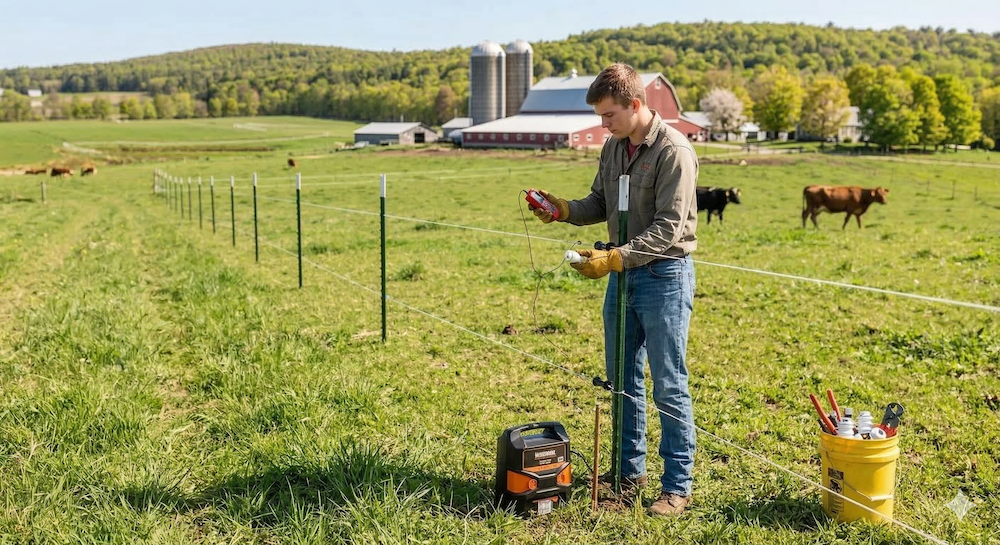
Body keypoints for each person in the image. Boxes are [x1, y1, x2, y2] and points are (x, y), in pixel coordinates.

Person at [530, 63, 698, 516]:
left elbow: (668, 228)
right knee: (621, 378)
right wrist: (563, 210)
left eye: (609, 115)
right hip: (622, 275)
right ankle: (628, 473)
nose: (603, 124)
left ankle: (676, 487)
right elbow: (600, 203)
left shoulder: (674, 151)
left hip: (664, 276)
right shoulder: (613, 148)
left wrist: (614, 258)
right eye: (600, 116)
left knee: (668, 385)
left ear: (635, 104)